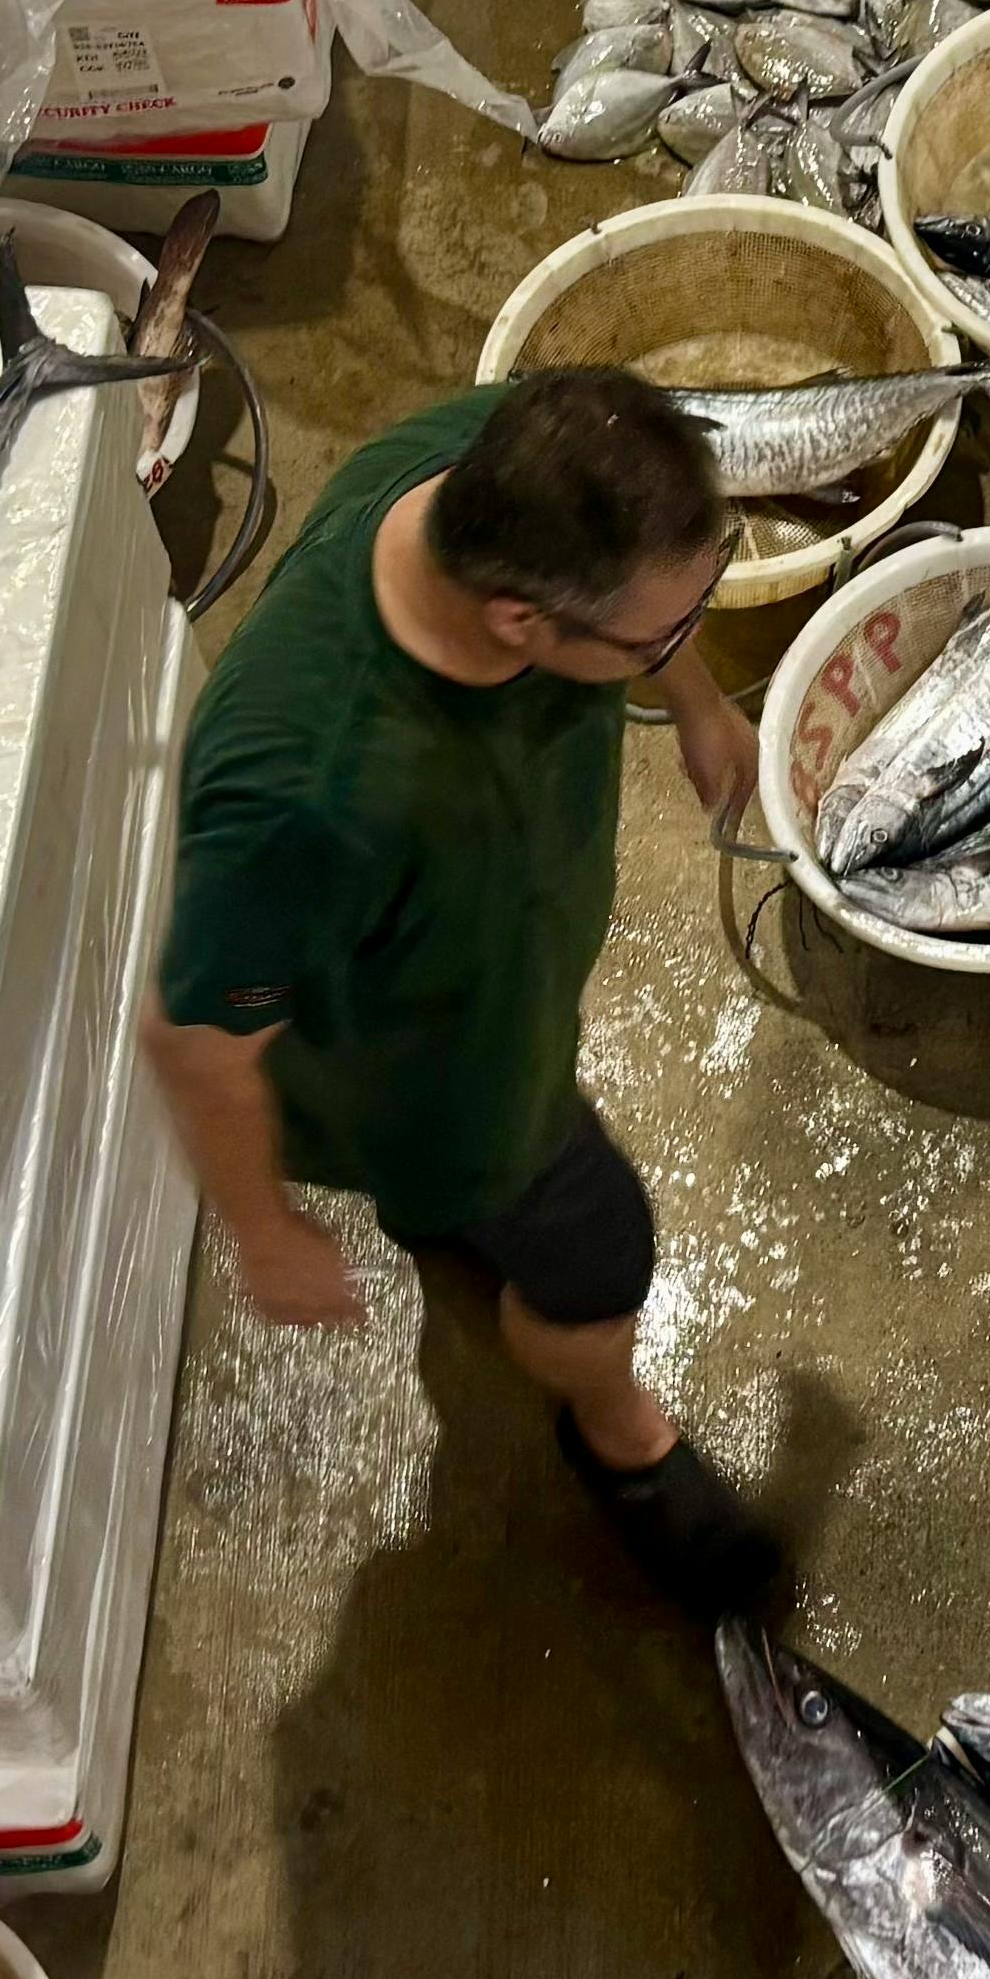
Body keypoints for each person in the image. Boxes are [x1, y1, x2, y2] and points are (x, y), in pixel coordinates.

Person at [142, 366, 783, 1616]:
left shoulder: (501, 456)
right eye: (655, 637)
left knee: (453, 1232)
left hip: (498, 962)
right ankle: (615, 1435)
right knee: (599, 1256)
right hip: (437, 1084)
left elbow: (654, 577)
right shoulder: (304, 792)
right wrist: (264, 1232)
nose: (671, 644)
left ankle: (443, 1240)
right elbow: (196, 1038)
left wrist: (695, 698)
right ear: (517, 623)